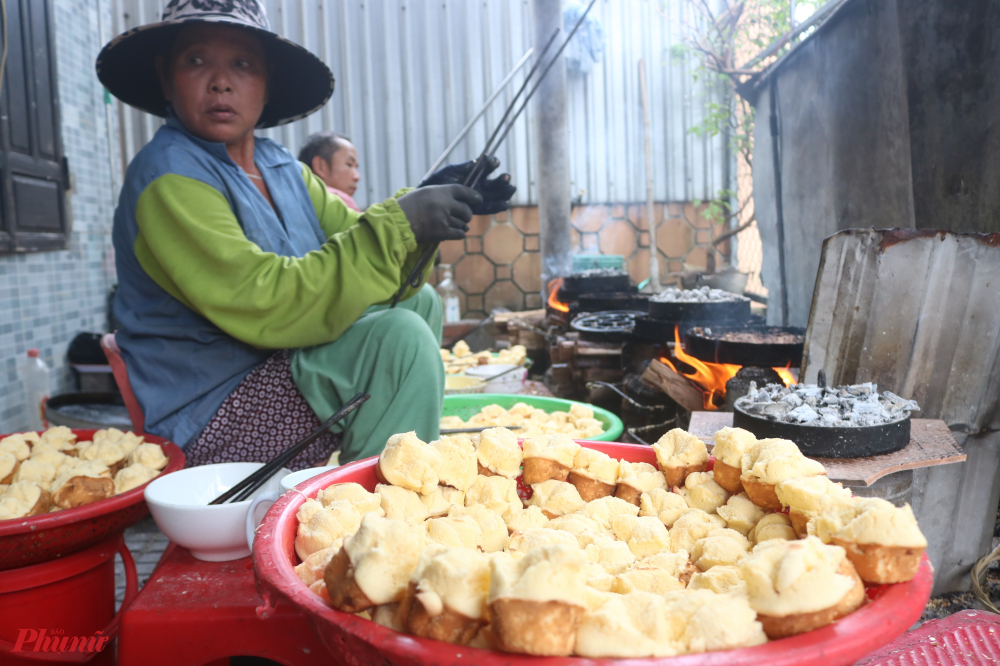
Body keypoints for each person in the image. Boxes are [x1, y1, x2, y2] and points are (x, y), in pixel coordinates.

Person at [95, 0, 514, 469]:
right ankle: (377, 517)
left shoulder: (281, 169)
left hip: (282, 367)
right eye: (195, 61)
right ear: (165, 76)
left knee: (419, 303)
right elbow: (270, 300)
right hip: (212, 415)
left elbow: (359, 239)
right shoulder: (168, 178)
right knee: (396, 341)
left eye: (242, 63)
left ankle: (390, 474)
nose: (220, 81)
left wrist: (421, 204)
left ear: (267, 80)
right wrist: (403, 220)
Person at [298, 131, 361, 212]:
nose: (357, 177)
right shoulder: (341, 202)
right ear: (321, 166)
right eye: (349, 164)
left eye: (356, 167)